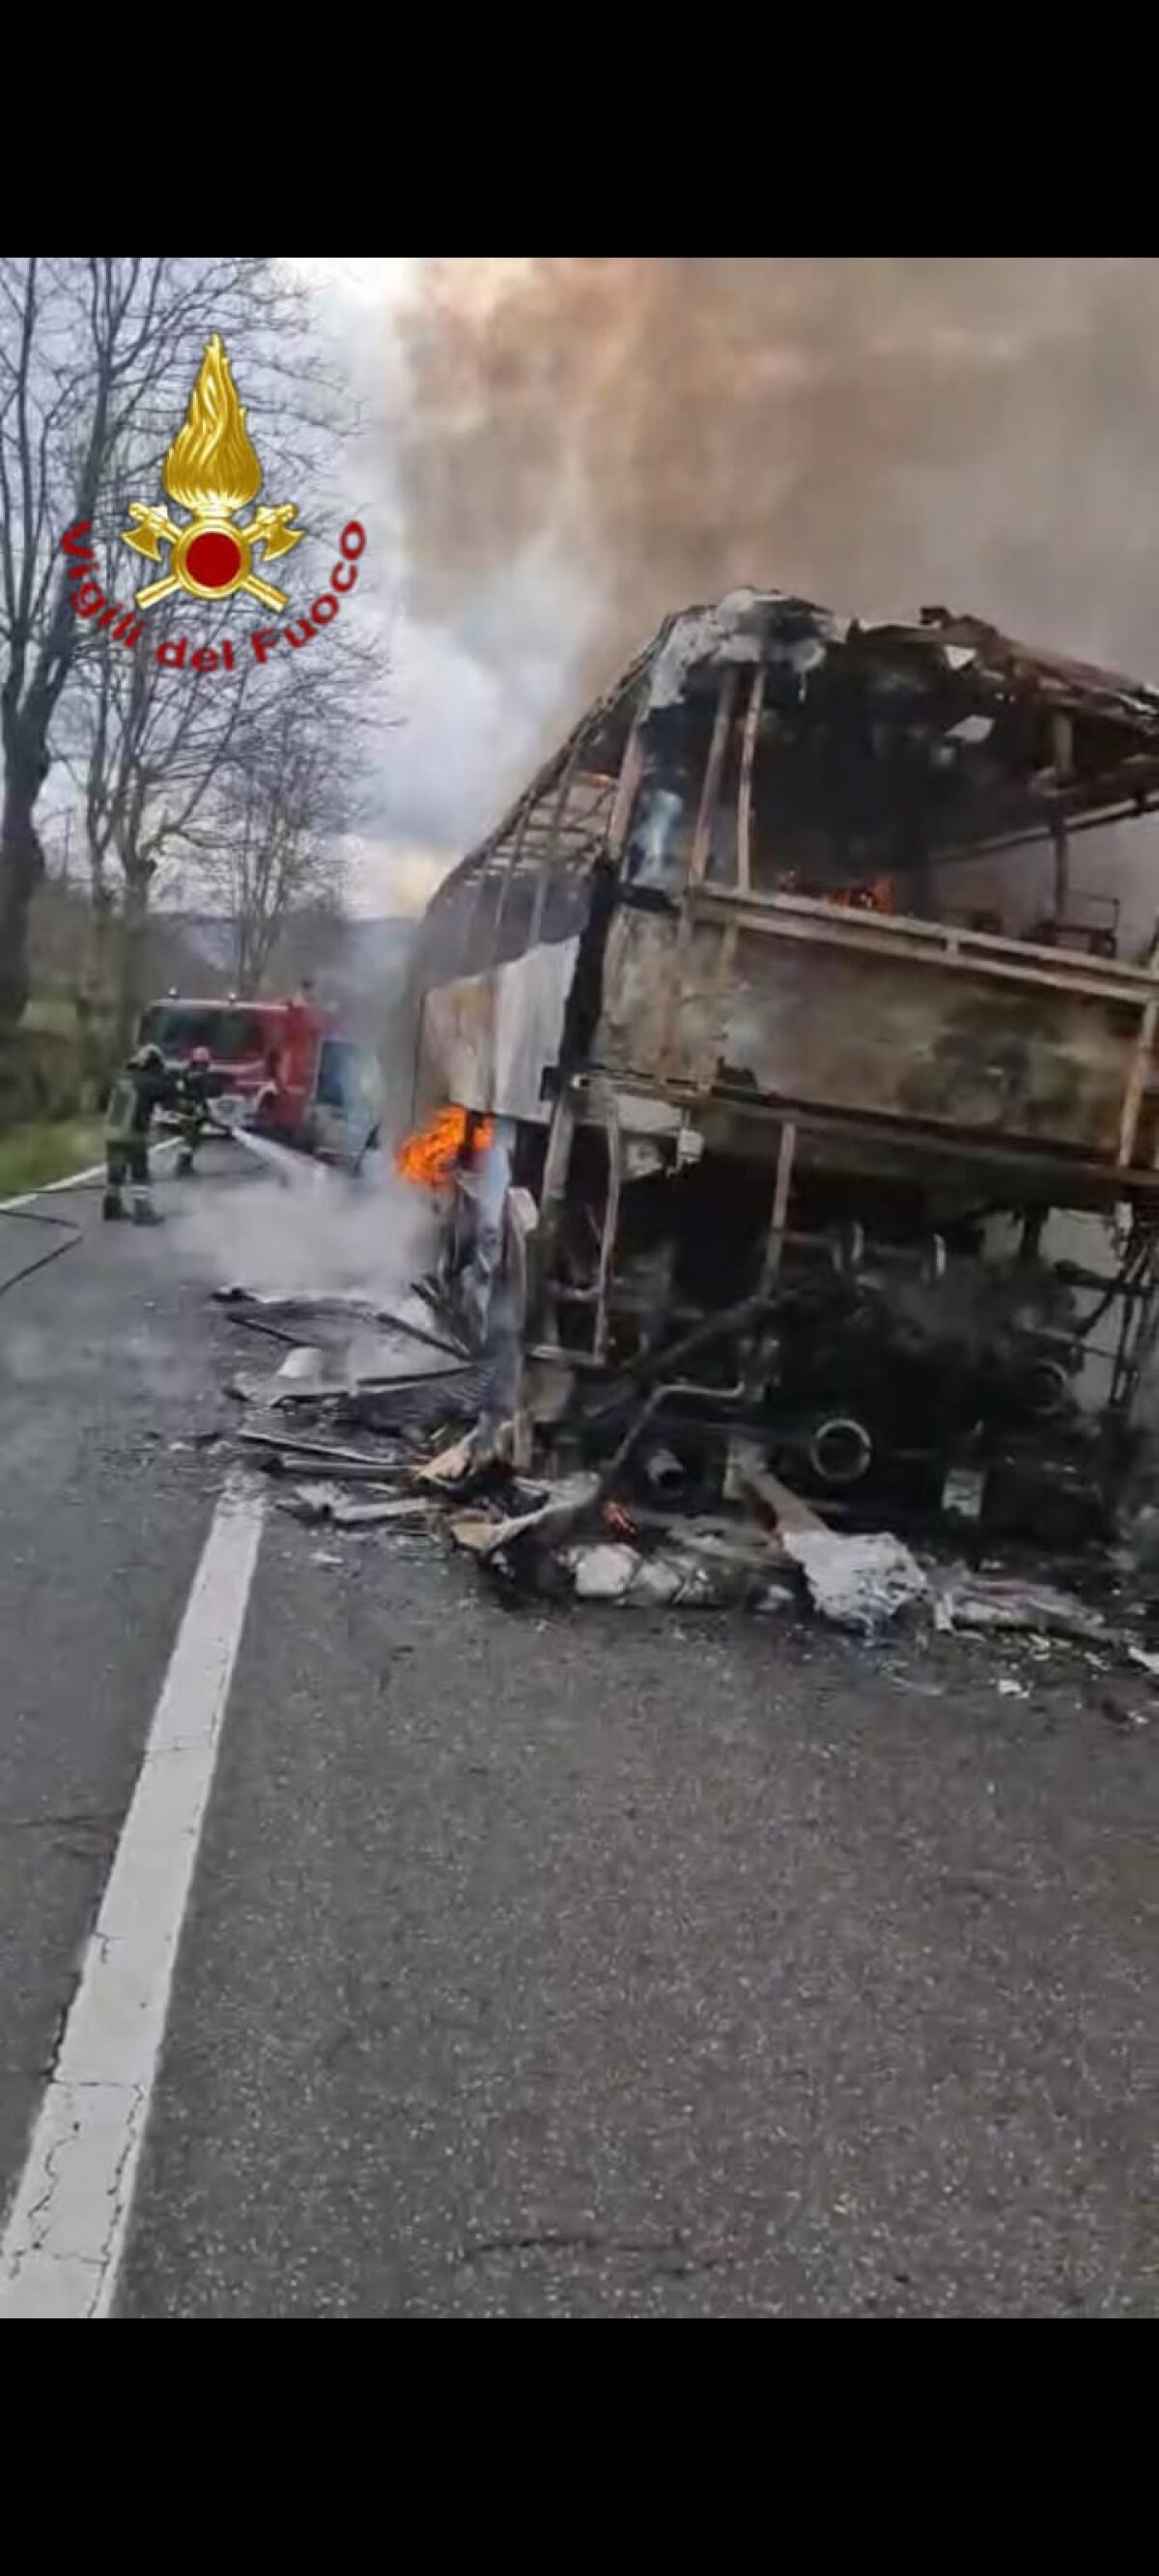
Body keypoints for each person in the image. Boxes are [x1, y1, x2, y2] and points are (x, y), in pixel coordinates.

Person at [102, 1043, 176, 1225]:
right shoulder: (148, 1081)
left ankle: (111, 1207)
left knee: (116, 1171)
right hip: (133, 1133)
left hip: (112, 1130)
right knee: (140, 1171)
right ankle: (142, 1212)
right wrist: (172, 1080)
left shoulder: (124, 1078)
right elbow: (167, 1094)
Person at [175, 1045, 216, 1176]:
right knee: (191, 1138)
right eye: (206, 1063)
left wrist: (206, 1111)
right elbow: (197, 1096)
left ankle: (185, 1163)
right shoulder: (197, 1076)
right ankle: (183, 1165)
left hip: (187, 1110)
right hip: (189, 1111)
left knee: (193, 1139)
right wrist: (201, 1110)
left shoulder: (187, 1073)